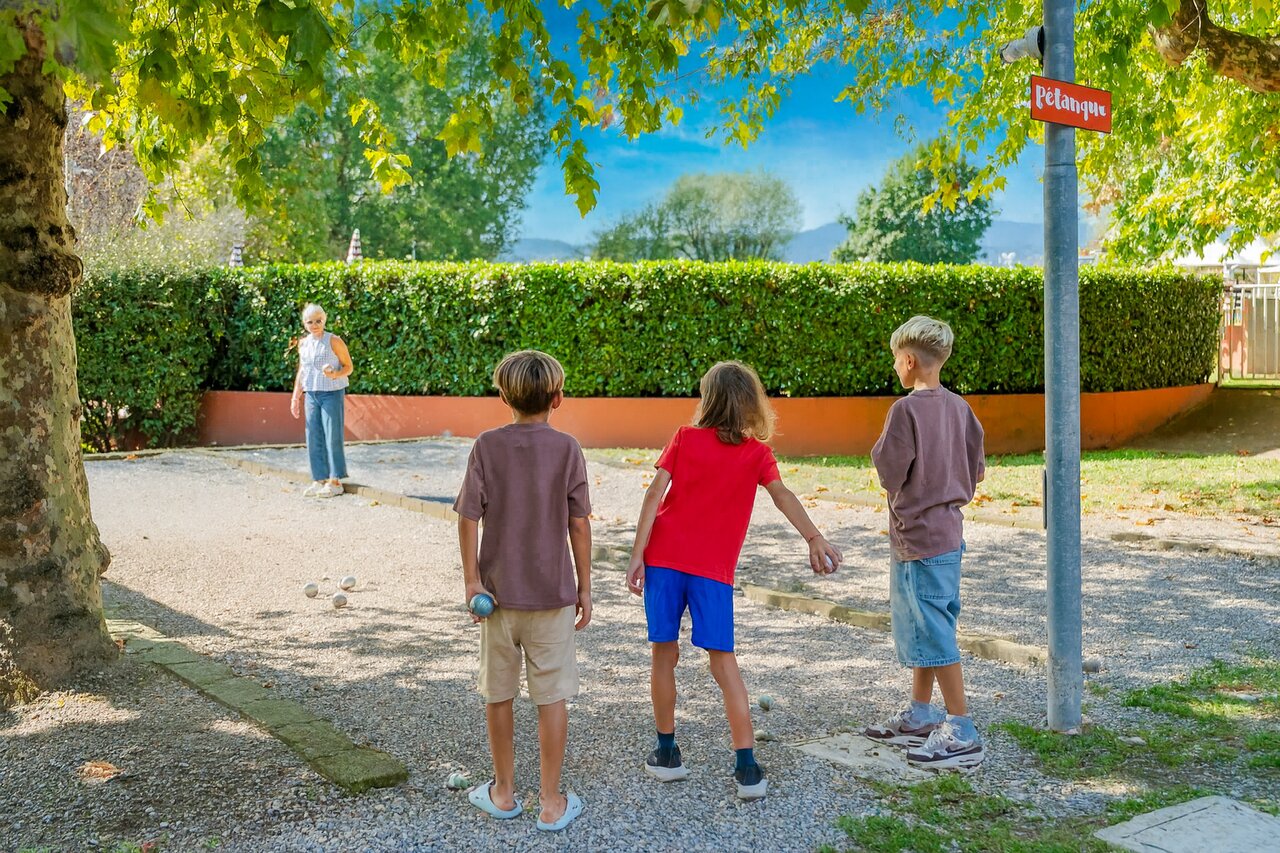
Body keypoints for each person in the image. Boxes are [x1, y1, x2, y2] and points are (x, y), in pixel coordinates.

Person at [626, 360, 842, 801]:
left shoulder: (684, 439)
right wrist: (814, 537)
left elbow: (654, 494)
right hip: (713, 573)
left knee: (663, 655)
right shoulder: (756, 453)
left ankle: (667, 755)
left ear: (708, 401)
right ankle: (746, 767)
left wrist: (636, 555)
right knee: (723, 663)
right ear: (750, 404)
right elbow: (782, 495)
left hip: (663, 560)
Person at [454, 350, 592, 832]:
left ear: (503, 396)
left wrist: (472, 580)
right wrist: (585, 587)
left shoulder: (485, 446)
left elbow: (468, 516)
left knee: (499, 694)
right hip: (553, 597)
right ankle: (551, 803)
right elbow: (579, 524)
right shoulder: (568, 448)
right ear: (558, 398)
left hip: (497, 601)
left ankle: (504, 792)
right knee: (551, 696)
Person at [863, 315, 987, 770]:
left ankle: (961, 727)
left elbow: (888, 472)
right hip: (949, 533)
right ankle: (920, 712)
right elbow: (976, 469)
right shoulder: (961, 409)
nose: (896, 366)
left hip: (916, 538)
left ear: (910, 360)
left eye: (897, 359)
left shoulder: (905, 411)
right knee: (928, 622)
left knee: (934, 630)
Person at [290, 303, 353, 498]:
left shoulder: (334, 341)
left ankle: (335, 481)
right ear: (304, 323)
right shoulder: (304, 343)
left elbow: (349, 367)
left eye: (318, 320)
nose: (315, 324)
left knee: (332, 435)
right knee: (313, 436)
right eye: (310, 321)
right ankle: (319, 479)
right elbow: (302, 370)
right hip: (311, 393)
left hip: (331, 392)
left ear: (324, 320)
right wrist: (295, 396)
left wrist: (335, 374)